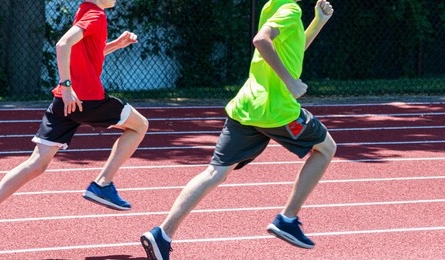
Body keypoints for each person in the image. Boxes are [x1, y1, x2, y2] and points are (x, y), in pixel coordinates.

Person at [140, 0, 335, 259]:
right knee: (326, 148)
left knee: (214, 173)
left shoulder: (273, 6)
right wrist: (290, 82)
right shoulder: (291, 9)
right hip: (276, 111)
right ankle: (287, 219)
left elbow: (291, 51)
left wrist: (318, 22)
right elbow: (261, 40)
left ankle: (162, 234)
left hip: (247, 107)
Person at [0, 0, 149, 257]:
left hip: (65, 102)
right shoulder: (95, 14)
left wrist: (115, 44)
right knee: (139, 126)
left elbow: (85, 55)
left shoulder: (85, 11)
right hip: (85, 99)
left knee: (37, 163)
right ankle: (103, 184)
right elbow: (62, 44)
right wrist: (68, 86)